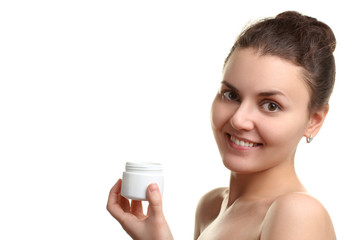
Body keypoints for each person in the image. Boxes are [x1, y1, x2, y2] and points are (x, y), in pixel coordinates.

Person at [107, 11, 337, 240]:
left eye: (271, 106)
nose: (238, 119)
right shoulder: (211, 207)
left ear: (314, 121)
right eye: (231, 95)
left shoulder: (298, 213)